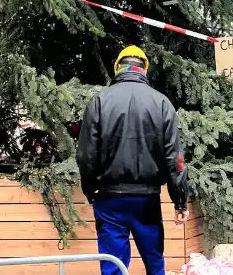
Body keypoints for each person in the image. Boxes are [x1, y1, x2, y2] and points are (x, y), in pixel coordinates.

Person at [76, 46, 189, 275]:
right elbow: (176, 158)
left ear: (117, 68)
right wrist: (180, 201)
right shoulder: (161, 103)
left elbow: (86, 155)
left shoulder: (99, 101)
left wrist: (90, 190)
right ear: (144, 71)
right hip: (147, 200)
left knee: (113, 266)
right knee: (155, 263)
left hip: (109, 200)